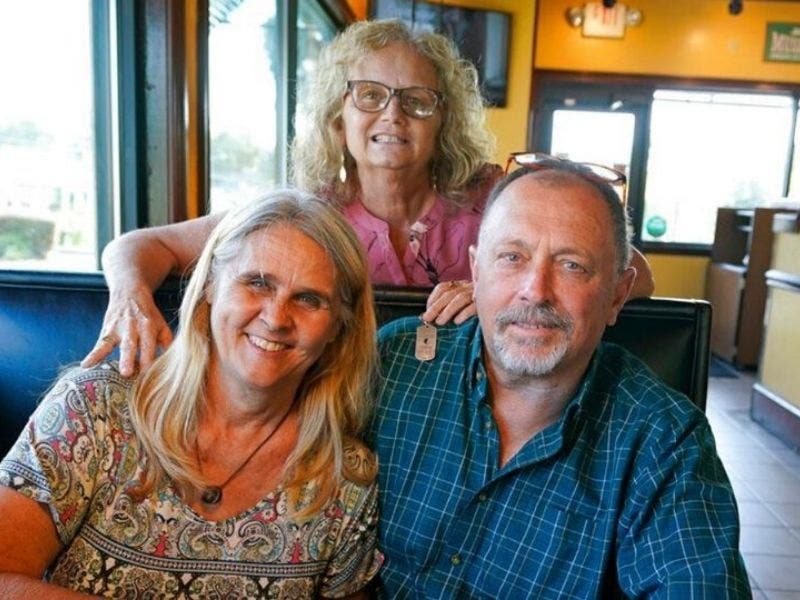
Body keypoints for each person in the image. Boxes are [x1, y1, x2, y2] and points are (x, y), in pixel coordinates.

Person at [80, 19, 655, 377]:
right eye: (370, 95)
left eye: (417, 100)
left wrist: (500, 291)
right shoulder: (305, 213)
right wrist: (130, 298)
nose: (393, 114)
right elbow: (139, 246)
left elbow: (637, 274)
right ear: (338, 116)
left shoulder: (496, 197)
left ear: (445, 121)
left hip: (467, 420)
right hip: (333, 413)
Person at [372, 158, 750, 598]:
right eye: (512, 257)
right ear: (476, 272)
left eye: (572, 265)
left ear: (617, 295)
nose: (535, 290)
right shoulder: (395, 363)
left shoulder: (664, 439)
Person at [0, 191, 383, 598]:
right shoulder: (94, 408)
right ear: (210, 285)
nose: (275, 319)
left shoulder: (345, 477)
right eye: (257, 283)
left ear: (339, 325)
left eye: (309, 299)